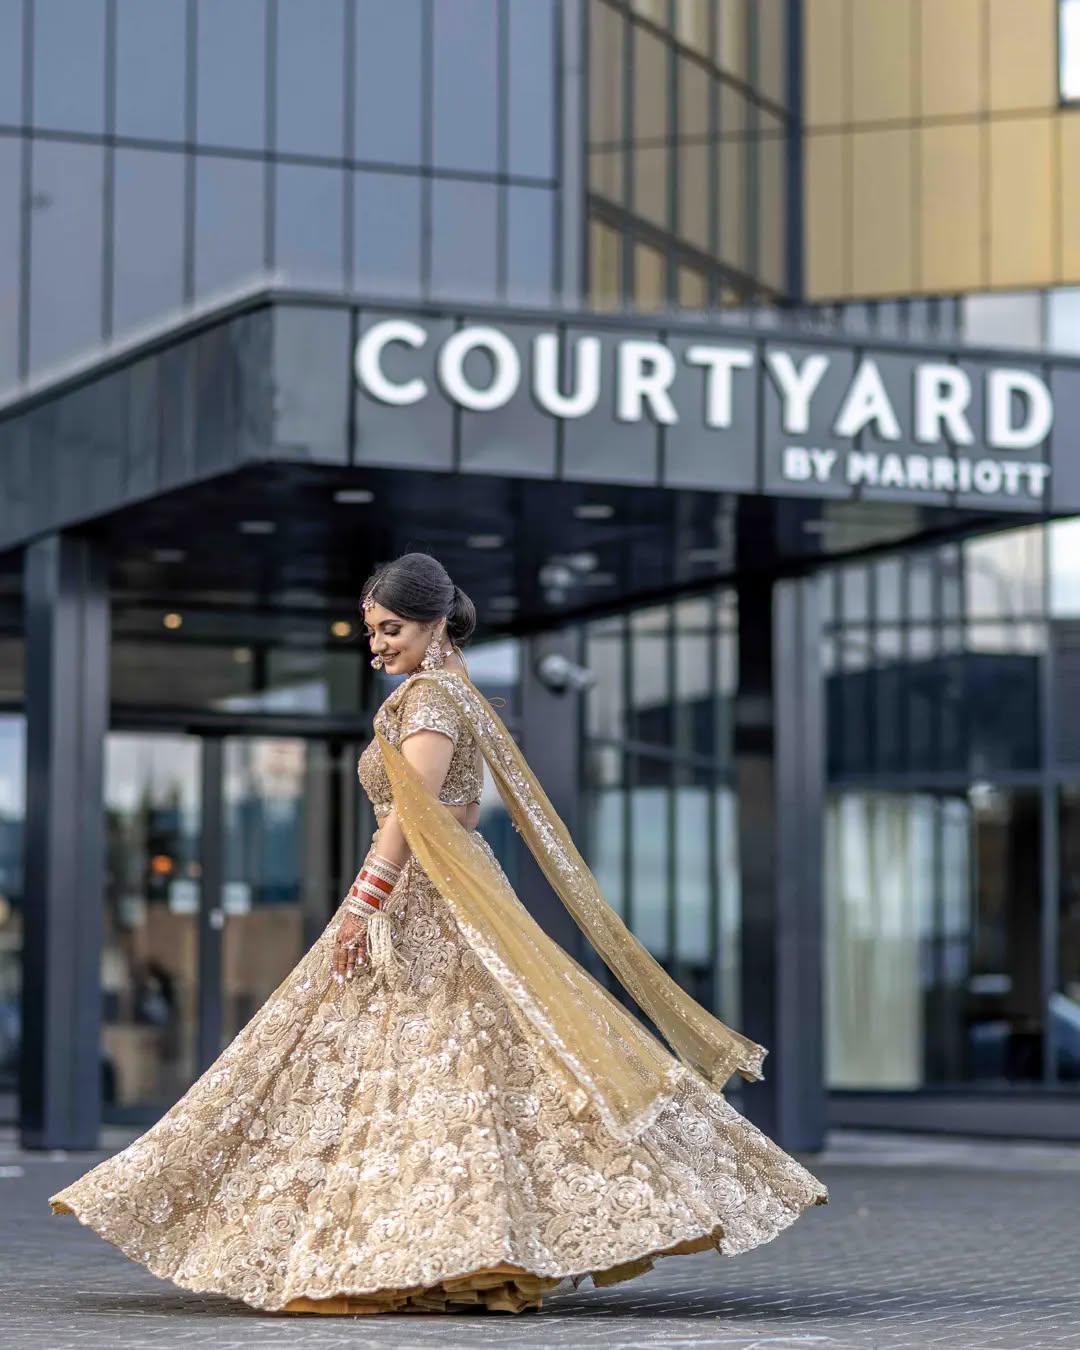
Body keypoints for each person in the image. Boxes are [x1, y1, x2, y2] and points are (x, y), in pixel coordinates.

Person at [50, 551, 828, 1315]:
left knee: (433, 1057)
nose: (378, 644)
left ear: (435, 624)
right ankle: (453, 1248)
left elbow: (416, 817)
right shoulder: (450, 692)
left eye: (392, 628)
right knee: (445, 1062)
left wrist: (362, 903)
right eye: (371, 631)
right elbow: (456, 812)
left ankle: (448, 1248)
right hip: (441, 891)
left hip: (425, 898)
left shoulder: (431, 700)